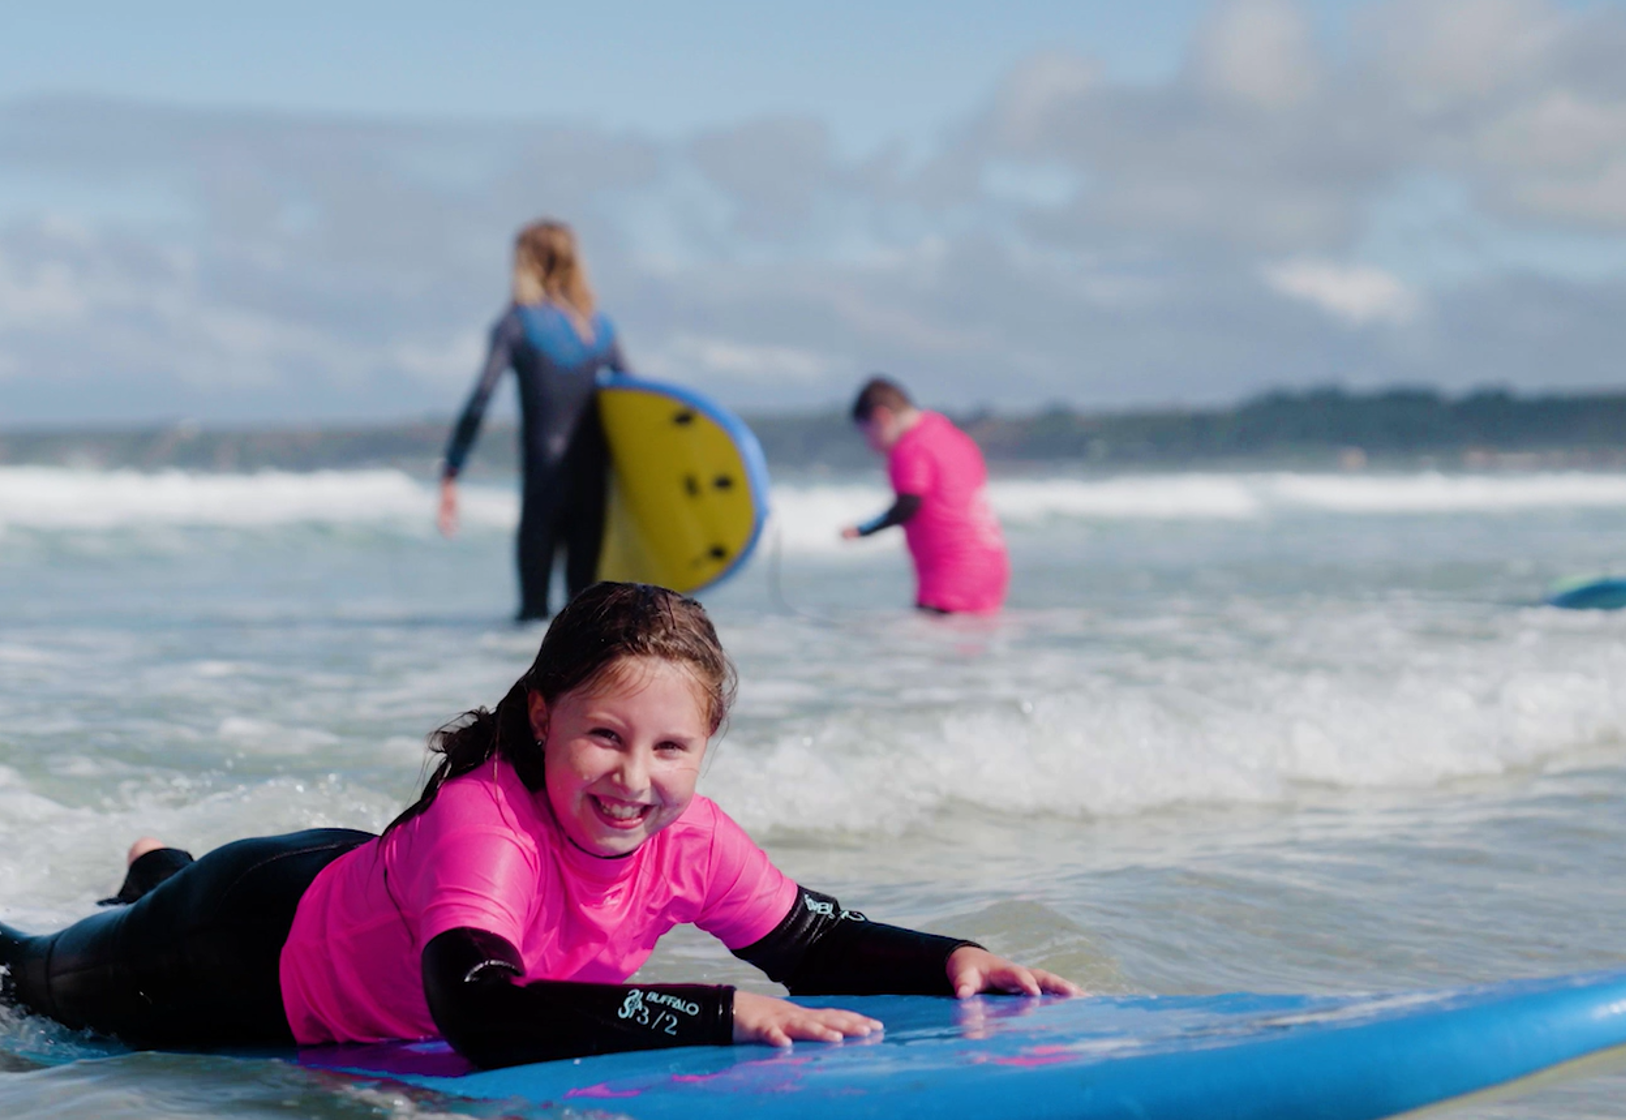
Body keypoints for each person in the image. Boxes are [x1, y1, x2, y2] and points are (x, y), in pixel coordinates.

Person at [1, 583, 1080, 1069]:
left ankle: (152, 861)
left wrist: (952, 959)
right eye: (604, 736)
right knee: (33, 973)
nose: (635, 778)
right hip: (235, 946)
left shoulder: (691, 836)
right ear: (540, 715)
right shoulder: (488, 824)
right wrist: (714, 1015)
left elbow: (809, 943)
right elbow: (480, 1010)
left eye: (672, 748)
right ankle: (155, 884)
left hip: (358, 879)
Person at [438, 220, 630, 622]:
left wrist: (452, 468)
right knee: (584, 624)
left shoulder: (515, 324)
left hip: (544, 484)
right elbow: (634, 405)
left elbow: (480, 399)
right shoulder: (600, 329)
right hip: (595, 484)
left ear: (523, 263)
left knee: (531, 616)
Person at [841, 377, 1010, 614]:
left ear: (882, 418)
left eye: (868, 434)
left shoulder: (911, 448)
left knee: (928, 649)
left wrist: (861, 530)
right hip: (990, 566)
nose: (871, 446)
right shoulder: (950, 435)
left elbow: (909, 504)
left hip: (951, 577)